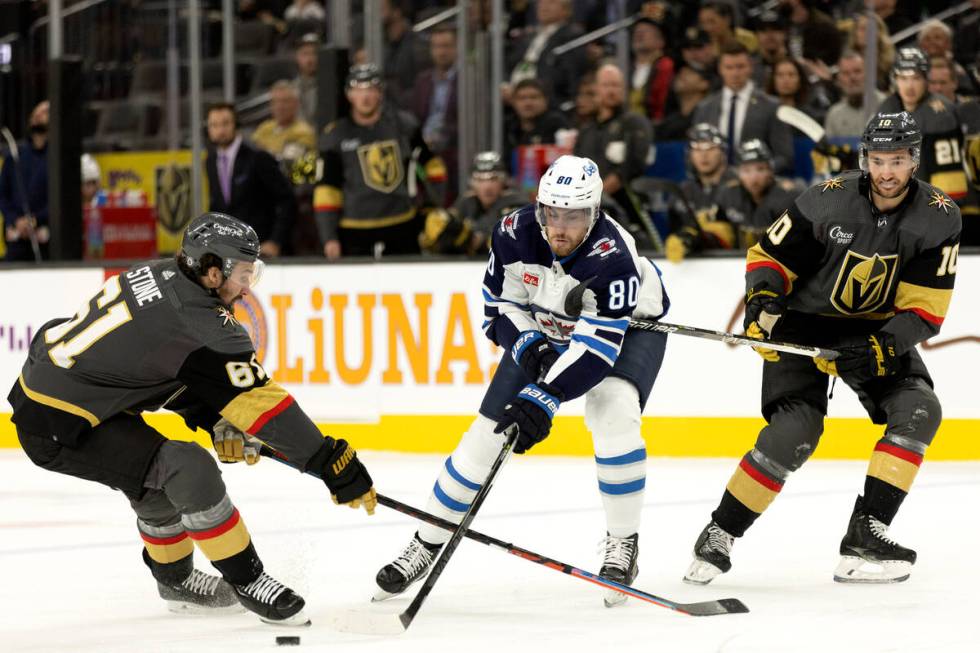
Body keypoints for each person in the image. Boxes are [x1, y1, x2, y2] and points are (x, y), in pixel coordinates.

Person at [7, 212, 376, 624]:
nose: (246, 289)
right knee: (188, 468)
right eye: (242, 276)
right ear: (212, 270)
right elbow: (266, 407)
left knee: (150, 480)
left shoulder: (160, 273)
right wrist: (329, 462)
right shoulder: (202, 324)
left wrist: (213, 419)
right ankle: (248, 579)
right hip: (60, 419)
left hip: (66, 392)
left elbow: (161, 370)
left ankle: (175, 580)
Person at [373, 155, 670, 608]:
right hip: (546, 327)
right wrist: (528, 344)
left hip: (627, 332)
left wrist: (544, 395)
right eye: (553, 213)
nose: (560, 227)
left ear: (594, 213)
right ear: (539, 208)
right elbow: (498, 307)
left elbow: (596, 351)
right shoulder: (514, 232)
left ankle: (623, 542)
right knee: (483, 437)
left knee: (614, 413)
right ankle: (426, 541)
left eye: (574, 215)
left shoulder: (614, 258)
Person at [683, 111, 960, 586]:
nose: (887, 172)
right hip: (804, 323)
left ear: (914, 160)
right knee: (795, 433)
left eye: (897, 160)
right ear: (865, 160)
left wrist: (880, 348)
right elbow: (768, 257)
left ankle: (866, 533)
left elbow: (925, 311)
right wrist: (765, 301)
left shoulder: (938, 218)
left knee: (919, 410)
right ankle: (720, 533)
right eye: (878, 160)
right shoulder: (824, 202)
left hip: (875, 329)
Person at [313, 63, 447, 260]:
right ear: (349, 95)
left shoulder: (404, 126)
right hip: (354, 231)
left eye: (370, 89)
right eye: (359, 90)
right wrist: (329, 237)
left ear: (380, 92)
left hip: (402, 225)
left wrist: (431, 207)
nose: (365, 96)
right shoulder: (335, 135)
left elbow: (433, 166)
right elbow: (326, 190)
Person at [574, 63, 654, 245]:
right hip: (588, 208)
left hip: (628, 205)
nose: (611, 91)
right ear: (596, 89)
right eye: (606, 85)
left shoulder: (634, 123)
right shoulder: (586, 130)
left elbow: (634, 165)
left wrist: (596, 197)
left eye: (616, 85)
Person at [205, 103, 297, 258]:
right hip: (231, 252)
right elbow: (218, 206)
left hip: (263, 249)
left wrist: (276, 241)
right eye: (214, 125)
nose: (220, 130)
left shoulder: (257, 157)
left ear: (236, 125)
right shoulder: (210, 161)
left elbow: (287, 199)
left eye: (225, 123)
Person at [877, 47, 968, 204]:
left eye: (916, 78)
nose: (909, 86)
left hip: (930, 209)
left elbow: (950, 187)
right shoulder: (886, 109)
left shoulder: (940, 114)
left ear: (926, 79)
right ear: (895, 80)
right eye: (903, 78)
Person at [692, 41, 794, 174]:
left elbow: (784, 157)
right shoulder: (705, 108)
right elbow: (695, 151)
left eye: (740, 67)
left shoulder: (771, 106)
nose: (735, 73)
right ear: (720, 69)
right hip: (717, 185)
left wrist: (758, 172)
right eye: (729, 67)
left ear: (750, 67)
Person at [664, 123, 738, 262]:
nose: (704, 155)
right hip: (692, 267)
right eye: (697, 149)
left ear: (723, 152)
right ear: (690, 155)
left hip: (735, 263)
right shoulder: (682, 192)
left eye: (710, 148)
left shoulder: (741, 186)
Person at [715, 138, 802, 249]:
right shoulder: (727, 195)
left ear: (771, 171)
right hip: (734, 262)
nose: (754, 177)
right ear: (737, 173)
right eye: (746, 170)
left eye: (760, 169)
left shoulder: (788, 197)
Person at [447, 151, 525, 254]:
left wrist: (476, 238)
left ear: (504, 181)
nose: (487, 187)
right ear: (472, 183)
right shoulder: (466, 202)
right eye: (480, 180)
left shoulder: (517, 205)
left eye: (493, 179)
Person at [1, 100, 50, 261]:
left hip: (46, 241)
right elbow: (3, 195)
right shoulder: (15, 156)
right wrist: (15, 220)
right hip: (16, 238)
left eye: (45, 112)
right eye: (36, 111)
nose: (38, 114)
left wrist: (37, 219)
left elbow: (61, 201)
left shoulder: (56, 160)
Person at [824, 50, 887, 139]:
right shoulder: (834, 115)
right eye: (846, 73)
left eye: (857, 71)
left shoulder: (888, 106)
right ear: (839, 79)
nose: (852, 78)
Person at [251, 80, 316, 162]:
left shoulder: (304, 132)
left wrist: (265, 150)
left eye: (285, 102)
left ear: (296, 104)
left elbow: (287, 162)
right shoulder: (264, 127)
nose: (280, 107)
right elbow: (252, 153)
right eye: (275, 101)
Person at [293, 33, 319, 125]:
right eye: (305, 54)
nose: (310, 59)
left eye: (314, 53)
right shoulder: (291, 89)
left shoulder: (330, 86)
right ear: (297, 57)